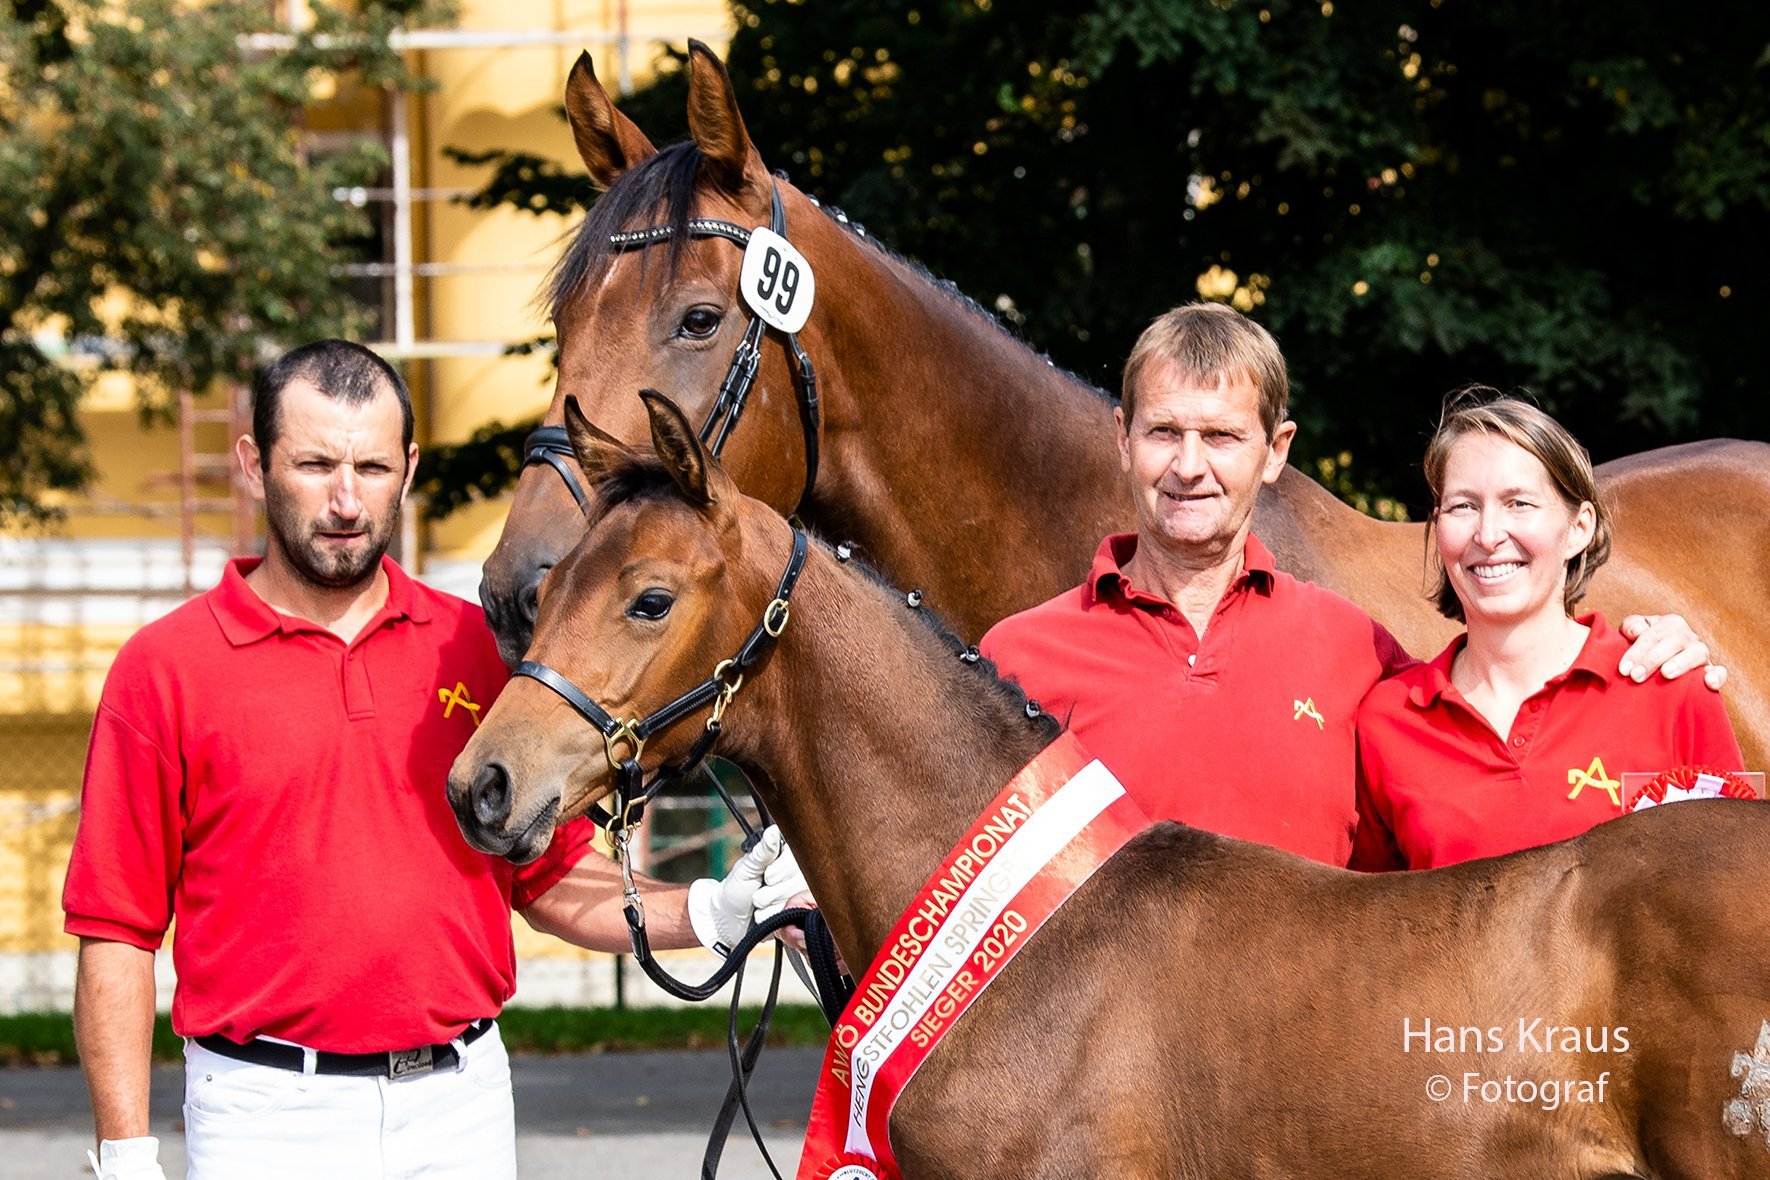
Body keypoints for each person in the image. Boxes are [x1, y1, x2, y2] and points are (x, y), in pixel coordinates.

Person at [61, 340, 803, 1180]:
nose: (346, 499)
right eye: (314, 464)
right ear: (252, 462)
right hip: (262, 1118)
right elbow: (114, 931)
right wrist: (123, 1154)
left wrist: (712, 912)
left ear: (408, 468)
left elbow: (549, 878)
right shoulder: (165, 669)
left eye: (372, 467)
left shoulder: (480, 654)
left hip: (461, 1110)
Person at [980, 303, 1720, 866]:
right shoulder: (1016, 661)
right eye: (1164, 433)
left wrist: (1656, 649)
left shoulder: (1356, 652)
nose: (1188, 466)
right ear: (1122, 440)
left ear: (1276, 451)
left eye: (1223, 437)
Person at [1349, 393, 1745, 869]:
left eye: (1518, 503)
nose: (1489, 534)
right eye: (1462, 507)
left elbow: (1735, 907)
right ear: (1437, 528)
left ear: (1579, 528)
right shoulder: (1386, 723)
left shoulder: (1672, 688)